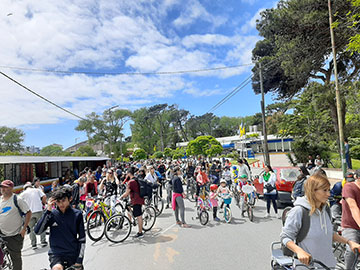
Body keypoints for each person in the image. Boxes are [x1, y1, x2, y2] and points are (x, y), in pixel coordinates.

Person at [281, 174, 360, 267]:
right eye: (324, 190)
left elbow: (329, 234)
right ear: (313, 191)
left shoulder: (325, 210)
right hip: (307, 267)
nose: (329, 194)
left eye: (329, 190)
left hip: (328, 265)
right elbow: (285, 237)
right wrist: (299, 251)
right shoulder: (299, 211)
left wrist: (349, 242)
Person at [35, 187, 85, 270]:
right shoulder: (51, 214)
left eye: (63, 201)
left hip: (73, 253)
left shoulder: (77, 214)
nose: (61, 204)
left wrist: (79, 260)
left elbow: (82, 239)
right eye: (58, 201)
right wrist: (48, 211)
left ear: (70, 199)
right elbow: (37, 231)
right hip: (56, 254)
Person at [0, 180, 31, 270]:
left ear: (11, 188)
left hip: (14, 235)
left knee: (16, 258)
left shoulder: (17, 199)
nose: (2, 189)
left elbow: (28, 212)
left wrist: (24, 228)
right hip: (2, 233)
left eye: (5, 187)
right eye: (2, 187)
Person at [341, 169, 360, 268]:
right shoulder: (349, 187)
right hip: (351, 226)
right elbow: (353, 207)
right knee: (353, 250)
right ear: (357, 177)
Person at [20, 182, 47, 249]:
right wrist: (43, 203)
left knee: (31, 228)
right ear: (31, 186)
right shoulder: (37, 190)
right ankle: (43, 241)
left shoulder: (23, 193)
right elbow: (44, 196)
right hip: (38, 210)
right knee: (41, 226)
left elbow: (18, 201)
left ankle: (34, 244)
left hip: (29, 213)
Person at [119, 167, 145, 238]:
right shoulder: (135, 179)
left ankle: (140, 233)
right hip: (136, 199)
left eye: (126, 173)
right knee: (128, 206)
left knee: (139, 216)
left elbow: (127, 193)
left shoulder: (131, 182)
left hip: (137, 200)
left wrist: (120, 197)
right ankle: (130, 220)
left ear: (129, 173)